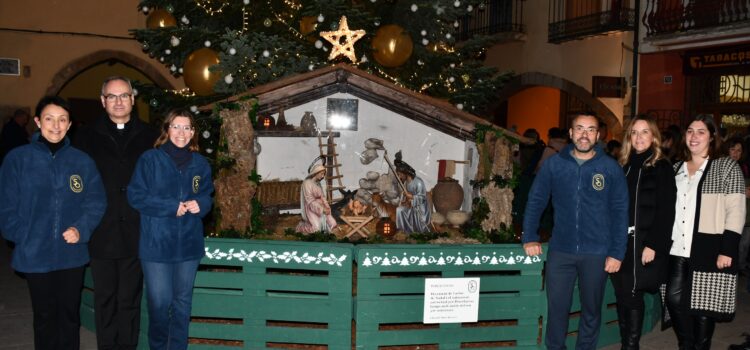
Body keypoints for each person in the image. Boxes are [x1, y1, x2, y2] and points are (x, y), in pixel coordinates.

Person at [0, 96, 106, 350]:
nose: (56, 126)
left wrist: (81, 229)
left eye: (62, 120)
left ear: (70, 124)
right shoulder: (18, 159)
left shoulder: (82, 161)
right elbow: (6, 205)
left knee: (69, 316)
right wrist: (23, 234)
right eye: (49, 119)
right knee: (45, 316)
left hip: (71, 253)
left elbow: (96, 201)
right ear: (37, 121)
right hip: (35, 253)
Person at [522, 112, 628, 350]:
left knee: (591, 311)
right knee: (557, 310)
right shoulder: (554, 164)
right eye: (579, 129)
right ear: (571, 133)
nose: (584, 134)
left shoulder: (610, 168)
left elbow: (621, 211)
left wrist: (617, 252)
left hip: (597, 252)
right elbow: (536, 200)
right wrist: (530, 236)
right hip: (561, 250)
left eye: (590, 130)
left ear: (598, 135)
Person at [73, 76, 159, 350]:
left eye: (124, 96)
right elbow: (77, 185)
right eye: (112, 96)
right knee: (105, 300)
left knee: (130, 300)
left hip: (136, 231)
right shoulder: (85, 137)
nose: (119, 101)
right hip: (101, 231)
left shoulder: (151, 136)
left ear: (133, 100)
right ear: (103, 101)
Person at [127, 108, 214, 350]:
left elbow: (207, 194)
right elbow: (135, 196)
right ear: (167, 130)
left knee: (182, 303)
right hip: (156, 246)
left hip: (188, 245)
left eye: (187, 127)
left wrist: (202, 204)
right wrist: (169, 207)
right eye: (176, 126)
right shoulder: (150, 159)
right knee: (159, 302)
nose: (181, 132)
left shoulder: (200, 163)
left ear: (193, 132)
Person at [666, 114, 745, 350]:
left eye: (701, 131)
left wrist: (728, 249)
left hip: (710, 248)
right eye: (690, 131)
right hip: (677, 247)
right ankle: (686, 344)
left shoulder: (725, 166)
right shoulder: (675, 168)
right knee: (673, 299)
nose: (694, 136)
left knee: (703, 308)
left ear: (712, 137)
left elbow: (737, 210)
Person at [611, 115, 676, 350]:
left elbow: (667, 210)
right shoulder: (622, 165)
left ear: (654, 136)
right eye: (635, 132)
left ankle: (630, 346)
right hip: (619, 242)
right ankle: (627, 343)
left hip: (643, 242)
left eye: (645, 132)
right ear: (629, 137)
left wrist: (654, 244)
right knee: (621, 292)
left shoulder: (661, 166)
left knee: (632, 292)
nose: (639, 137)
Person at [394, 152, 431, 233]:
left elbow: (423, 197)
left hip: (420, 209)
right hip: (411, 206)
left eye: (400, 174)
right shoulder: (406, 183)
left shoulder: (418, 182)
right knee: (399, 210)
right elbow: (406, 198)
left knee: (413, 213)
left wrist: (412, 197)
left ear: (405, 173)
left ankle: (417, 230)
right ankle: (403, 230)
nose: (399, 177)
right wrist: (405, 201)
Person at [297, 163, 338, 233]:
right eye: (321, 173)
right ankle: (302, 227)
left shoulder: (318, 184)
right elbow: (310, 200)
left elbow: (323, 197)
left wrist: (327, 207)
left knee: (333, 224)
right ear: (316, 172)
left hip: (322, 207)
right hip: (311, 208)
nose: (323, 176)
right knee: (317, 229)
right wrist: (321, 209)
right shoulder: (307, 183)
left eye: (324, 174)